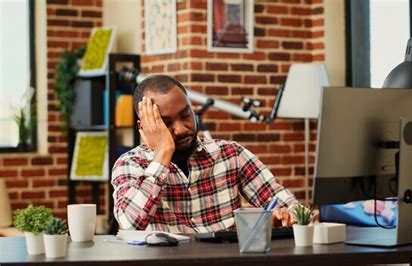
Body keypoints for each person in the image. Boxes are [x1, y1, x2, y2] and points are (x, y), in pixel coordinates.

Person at [112, 75, 299, 233]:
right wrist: (163, 152)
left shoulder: (230, 154)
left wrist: (284, 215)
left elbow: (291, 206)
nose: (180, 129)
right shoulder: (130, 164)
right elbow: (130, 224)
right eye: (166, 122)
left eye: (185, 115)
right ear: (144, 126)